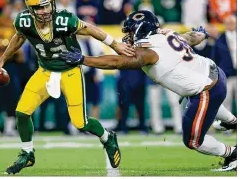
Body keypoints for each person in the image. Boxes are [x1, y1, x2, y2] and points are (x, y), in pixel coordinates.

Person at [59, 10, 237, 172]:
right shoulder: (166, 36)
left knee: (192, 141)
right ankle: (231, 121)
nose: (127, 36)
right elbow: (191, 37)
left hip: (206, 89)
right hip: (214, 75)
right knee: (196, 101)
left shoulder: (148, 51)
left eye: (130, 31)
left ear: (139, 30)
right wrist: (202, 34)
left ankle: (232, 153)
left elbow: (116, 62)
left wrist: (83, 59)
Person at [0, 0, 133, 174]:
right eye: (40, 7)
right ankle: (27, 153)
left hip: (69, 71)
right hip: (45, 71)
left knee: (80, 123)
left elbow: (89, 29)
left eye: (48, 5)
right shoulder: (23, 21)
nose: (45, 10)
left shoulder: (64, 19)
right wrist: (1, 60)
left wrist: (115, 45)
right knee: (22, 112)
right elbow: (19, 37)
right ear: (30, 9)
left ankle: (107, 137)